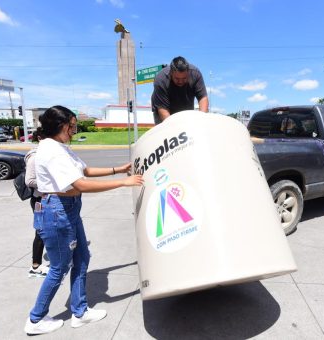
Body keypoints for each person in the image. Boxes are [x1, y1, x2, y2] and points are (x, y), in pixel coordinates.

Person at [24, 105, 144, 335]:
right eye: (72, 125)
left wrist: (118, 169)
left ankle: (80, 312)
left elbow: (84, 171)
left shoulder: (61, 147)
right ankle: (36, 318)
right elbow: (81, 185)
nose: (74, 129)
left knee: (82, 258)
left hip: (69, 211)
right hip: (58, 213)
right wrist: (123, 182)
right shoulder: (51, 150)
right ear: (61, 125)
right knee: (59, 268)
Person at [151, 56, 208, 124]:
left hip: (185, 107)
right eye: (177, 78)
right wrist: (173, 128)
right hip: (164, 110)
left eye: (184, 78)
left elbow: (203, 98)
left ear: (188, 72)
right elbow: (162, 109)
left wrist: (201, 120)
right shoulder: (161, 79)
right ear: (171, 73)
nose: (180, 81)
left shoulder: (195, 74)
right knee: (167, 131)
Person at [25, 128, 49, 278]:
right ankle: (35, 266)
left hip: (46, 198)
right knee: (41, 232)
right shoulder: (34, 156)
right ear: (40, 138)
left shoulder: (45, 154)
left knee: (49, 231)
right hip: (39, 200)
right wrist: (49, 187)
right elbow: (30, 180)